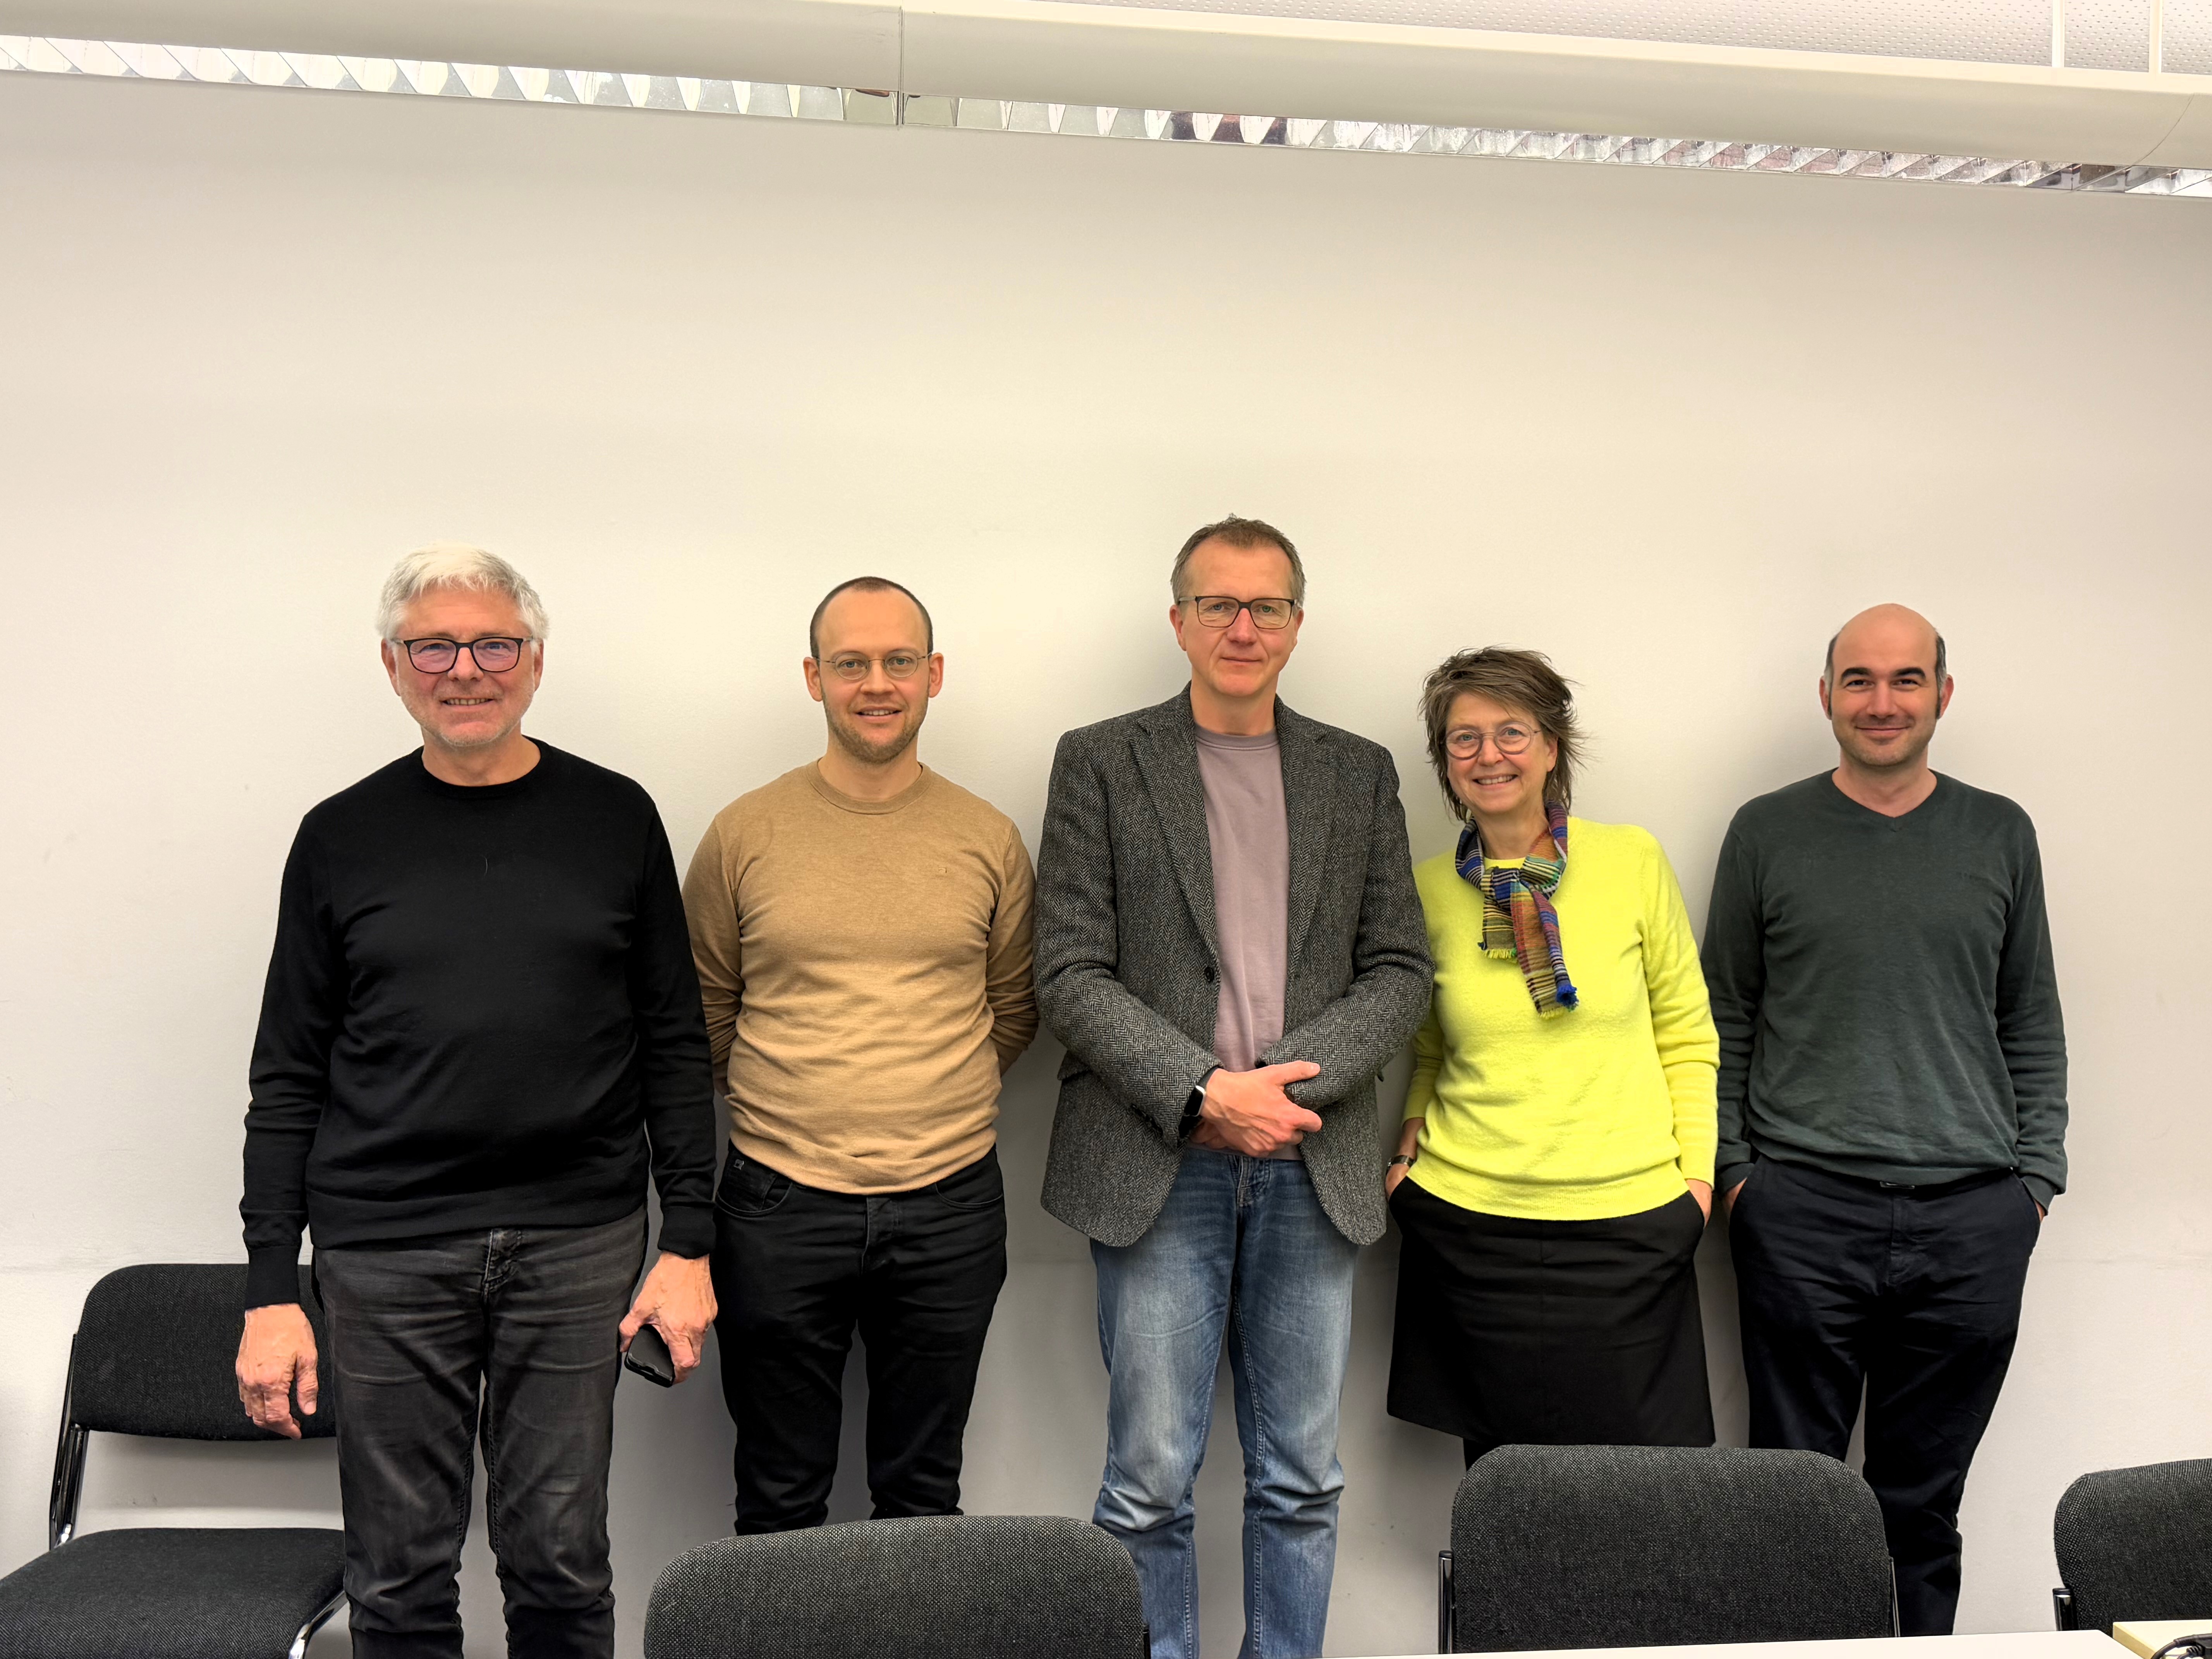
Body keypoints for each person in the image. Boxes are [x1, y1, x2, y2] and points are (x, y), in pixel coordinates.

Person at [234, 545, 719, 1659]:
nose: (465, 670)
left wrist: (689, 1238)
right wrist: (270, 1287)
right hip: (385, 1249)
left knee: (561, 1564)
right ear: (392, 667)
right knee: (399, 1577)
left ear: (536, 661)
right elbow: (287, 1073)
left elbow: (675, 1043)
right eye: (434, 648)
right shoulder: (339, 836)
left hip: (579, 1241)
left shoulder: (616, 817)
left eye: (494, 644)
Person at [1034, 516, 1431, 1659]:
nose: (1242, 627)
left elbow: (1400, 967)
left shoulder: (1358, 770)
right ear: (1179, 621)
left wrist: (1286, 1090)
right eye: (1218, 605)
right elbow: (1068, 969)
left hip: (1312, 1162)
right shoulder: (1101, 761)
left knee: (1302, 1478)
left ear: (1298, 625)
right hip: (1156, 1163)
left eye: (1266, 607)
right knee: (1149, 1479)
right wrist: (1208, 1089)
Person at [1703, 603, 2066, 1637]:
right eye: (1859, 679)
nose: (1882, 701)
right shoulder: (1767, 830)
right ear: (1826, 696)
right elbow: (1724, 1011)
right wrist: (1738, 1172)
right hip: (1801, 1210)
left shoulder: (2000, 832)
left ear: (1942, 694)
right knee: (1794, 1501)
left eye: (1906, 679)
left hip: (1973, 1217)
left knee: (1922, 1506)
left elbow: (2030, 1013)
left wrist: (2035, 1181)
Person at [683, 576, 1037, 1534]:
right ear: (814, 678)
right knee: (779, 1498)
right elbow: (706, 1013)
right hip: (778, 1204)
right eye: (850, 663)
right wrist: (807, 1103)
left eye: (898, 661)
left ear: (933, 674)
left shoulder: (988, 837)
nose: (876, 683)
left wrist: (924, 1101)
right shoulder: (744, 834)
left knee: (922, 1503)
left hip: (950, 1204)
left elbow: (1013, 1009)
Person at [1385, 647, 1718, 1467]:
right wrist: (1406, 1158)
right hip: (1471, 1227)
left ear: (1551, 747)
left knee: (1637, 1495)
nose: (1489, 755)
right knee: (1505, 1493)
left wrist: (1697, 1186)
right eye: (1464, 739)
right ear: (1445, 762)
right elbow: (1428, 1047)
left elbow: (1687, 1034)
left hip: (1631, 1225)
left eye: (1511, 732)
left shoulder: (1632, 860)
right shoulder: (1425, 891)